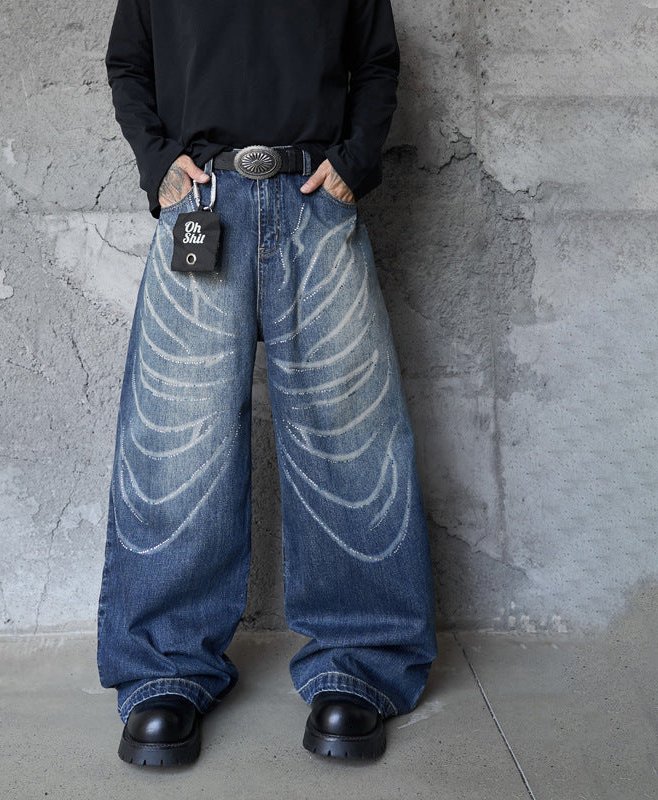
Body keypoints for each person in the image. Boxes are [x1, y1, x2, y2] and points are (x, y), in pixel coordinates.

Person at [96, 0, 438, 766]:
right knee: (179, 444)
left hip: (314, 204)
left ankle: (362, 664)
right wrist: (159, 164)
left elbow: (376, 62)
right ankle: (165, 670)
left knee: (349, 440)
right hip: (201, 204)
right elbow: (129, 64)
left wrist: (354, 163)